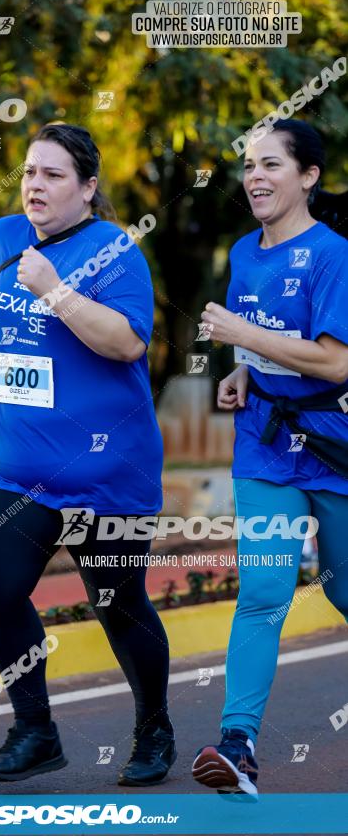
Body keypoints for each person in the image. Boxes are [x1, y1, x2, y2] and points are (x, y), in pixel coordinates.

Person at [0, 123, 175, 785]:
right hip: (17, 471)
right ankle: (34, 731)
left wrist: (53, 287)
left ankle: (153, 730)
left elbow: (127, 342)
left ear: (87, 189)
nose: (34, 186)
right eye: (28, 173)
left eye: (51, 175)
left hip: (105, 476)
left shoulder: (115, 251)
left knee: (118, 603)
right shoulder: (1, 235)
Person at [191, 120, 348, 797]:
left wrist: (239, 334)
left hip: (334, 448)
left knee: (343, 589)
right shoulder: (242, 252)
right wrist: (242, 372)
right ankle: (237, 745)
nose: (253, 177)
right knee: (260, 595)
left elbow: (335, 359)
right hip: (263, 448)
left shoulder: (332, 254)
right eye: (248, 165)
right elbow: (261, 341)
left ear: (307, 176)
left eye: (270, 165)